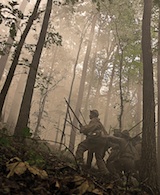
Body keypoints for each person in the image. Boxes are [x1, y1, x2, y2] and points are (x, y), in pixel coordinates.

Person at [75, 110, 109, 175]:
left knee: (81, 147)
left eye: (90, 114)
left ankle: (80, 164)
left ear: (93, 114)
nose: (89, 115)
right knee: (99, 158)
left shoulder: (94, 120)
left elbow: (88, 129)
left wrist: (82, 128)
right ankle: (105, 173)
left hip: (96, 140)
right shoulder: (99, 123)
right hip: (102, 142)